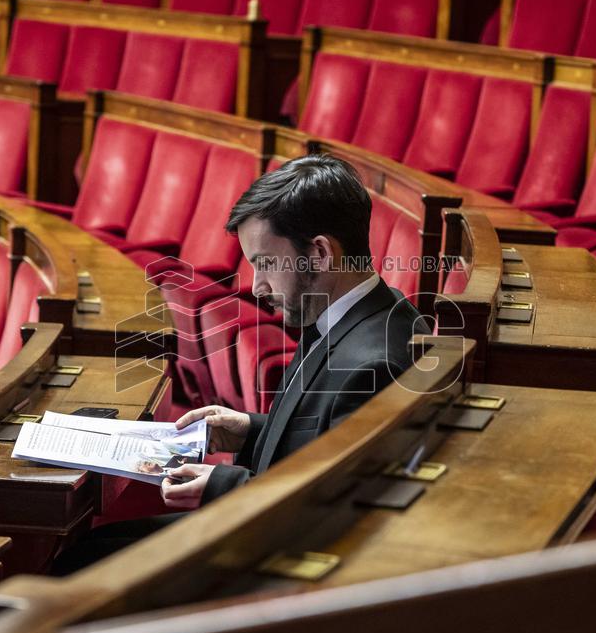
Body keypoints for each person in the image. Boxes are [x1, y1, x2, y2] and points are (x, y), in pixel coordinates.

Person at [50, 154, 429, 575]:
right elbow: (324, 442)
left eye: (265, 263)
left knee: (79, 567)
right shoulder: (356, 311)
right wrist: (249, 430)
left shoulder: (374, 364)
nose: (257, 285)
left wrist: (220, 484)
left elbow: (329, 505)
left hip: (273, 559)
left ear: (320, 252)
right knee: (89, 548)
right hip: (261, 525)